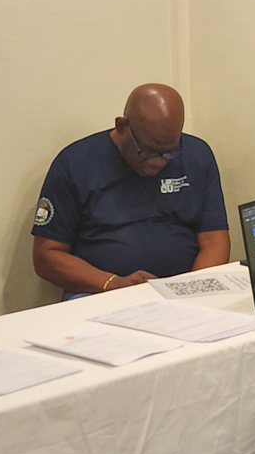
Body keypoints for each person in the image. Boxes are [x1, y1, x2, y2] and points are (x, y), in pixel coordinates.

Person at [31, 84, 230, 298]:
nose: (158, 162)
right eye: (147, 152)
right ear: (122, 126)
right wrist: (113, 284)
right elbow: (47, 256)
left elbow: (215, 240)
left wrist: (191, 292)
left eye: (169, 152)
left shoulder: (197, 155)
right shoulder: (75, 163)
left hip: (183, 288)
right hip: (100, 290)